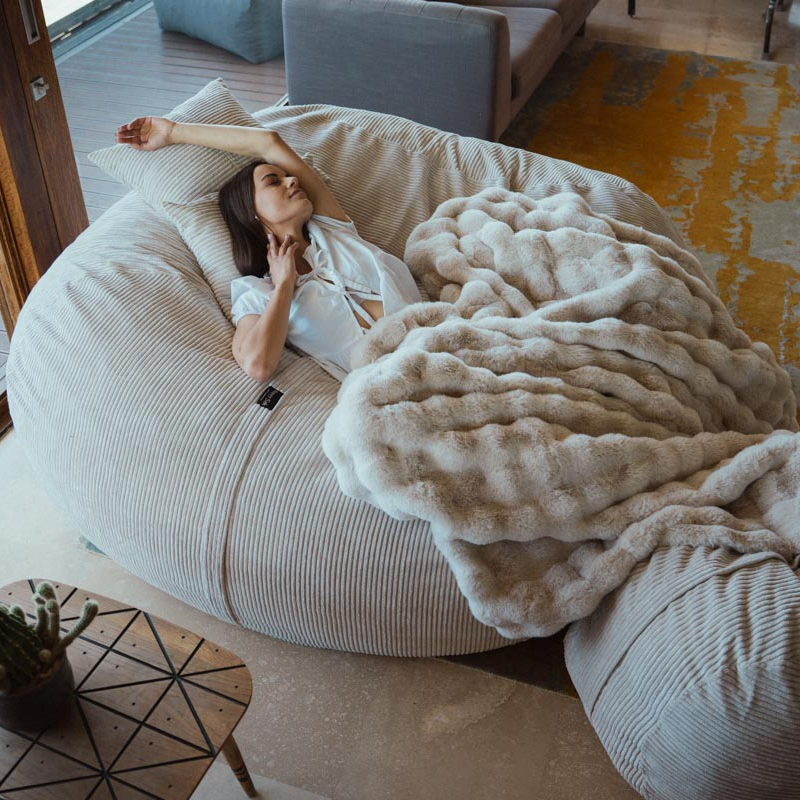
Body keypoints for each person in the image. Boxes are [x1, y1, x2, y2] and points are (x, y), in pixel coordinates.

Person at [115, 117, 422, 383]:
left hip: (440, 338)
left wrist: (175, 132)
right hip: (398, 384)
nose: (291, 180)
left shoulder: (331, 230)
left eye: (287, 176)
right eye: (273, 182)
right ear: (251, 212)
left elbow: (269, 143)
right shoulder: (257, 293)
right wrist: (285, 286)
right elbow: (257, 365)